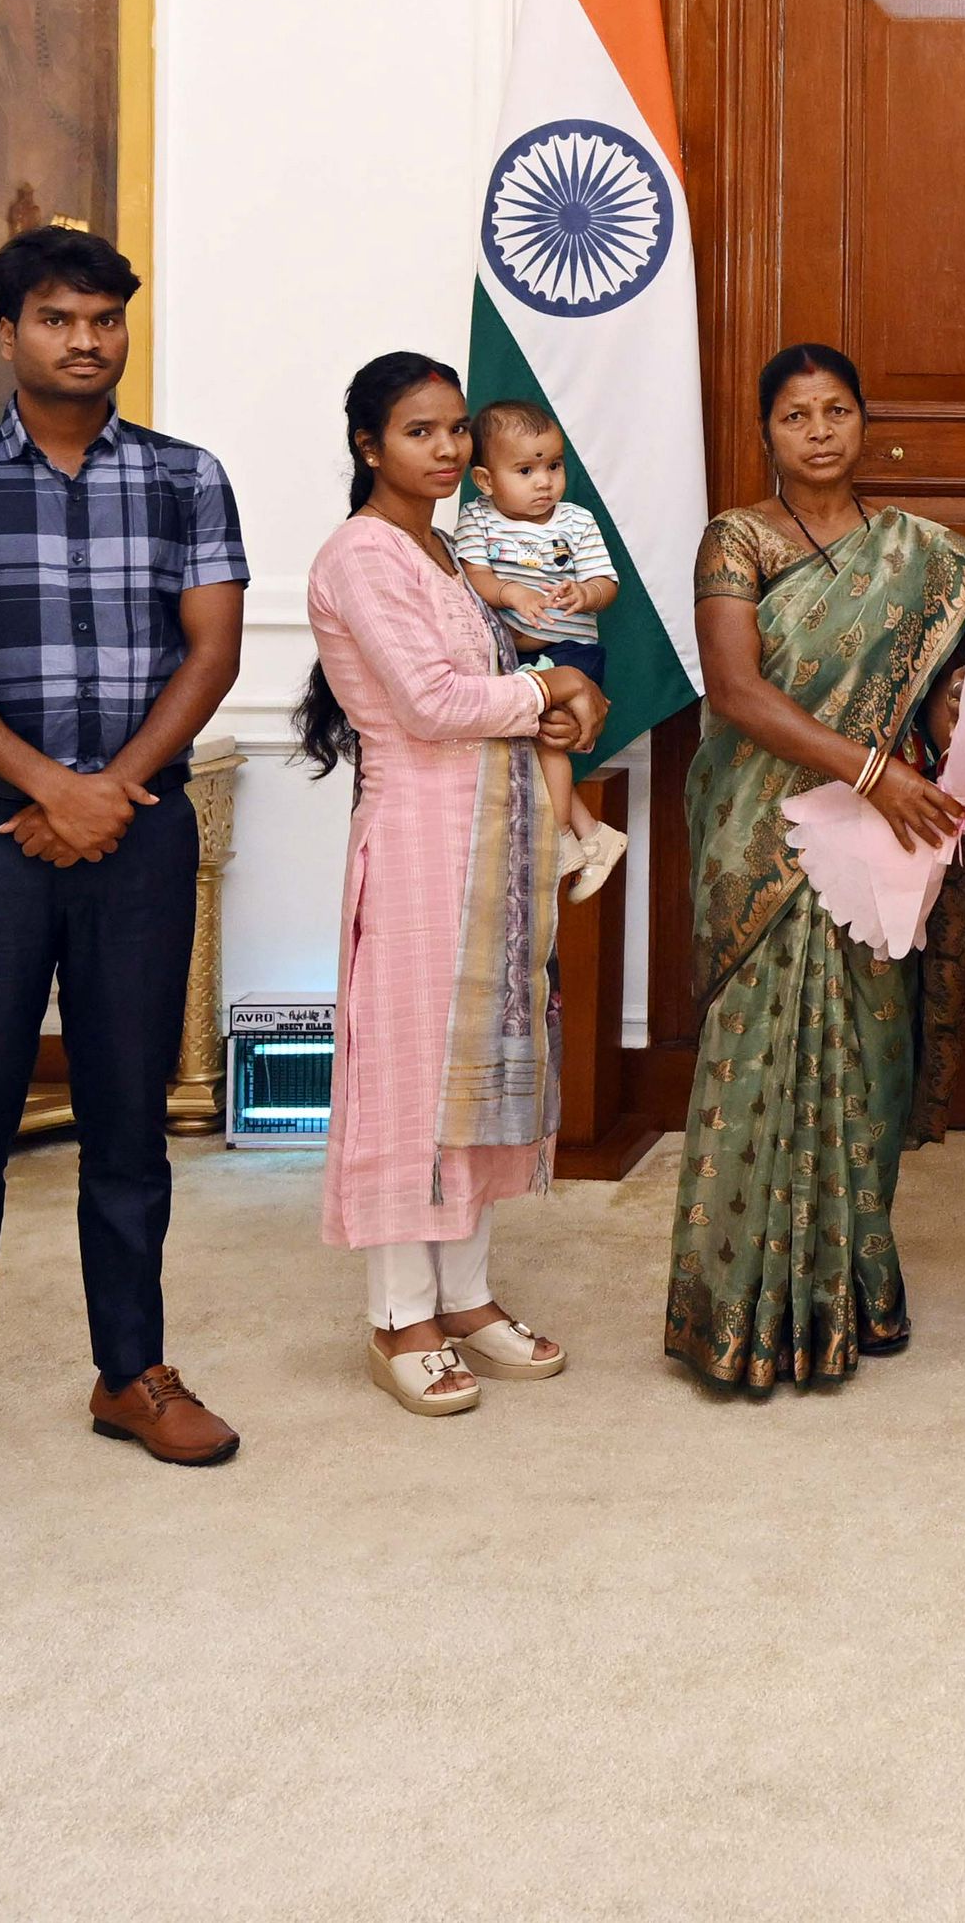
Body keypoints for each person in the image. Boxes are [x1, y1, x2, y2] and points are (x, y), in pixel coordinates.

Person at [0, 226, 246, 1523]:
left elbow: (211, 652)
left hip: (138, 827)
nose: (85, 339)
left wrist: (107, 789)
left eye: (103, 318)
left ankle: (131, 1372)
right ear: (8, 331)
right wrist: (50, 787)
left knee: (130, 1117)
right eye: (57, 318)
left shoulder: (187, 477)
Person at [669, 345, 965, 1389]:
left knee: (866, 1057)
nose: (818, 431)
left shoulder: (922, 555)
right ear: (765, 432)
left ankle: (851, 1293)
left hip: (874, 845)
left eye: (836, 410)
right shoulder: (738, 538)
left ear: (864, 422)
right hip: (762, 831)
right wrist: (869, 770)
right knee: (754, 1061)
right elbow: (735, 689)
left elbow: (948, 691)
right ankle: (737, 1312)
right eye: (794, 415)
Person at [303, 353, 607, 1417]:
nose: (445, 448)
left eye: (455, 429)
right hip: (421, 849)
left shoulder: (446, 549)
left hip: (497, 838)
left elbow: (499, 688)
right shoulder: (362, 553)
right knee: (411, 1077)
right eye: (418, 431)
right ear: (368, 445)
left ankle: (467, 1297)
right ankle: (400, 1315)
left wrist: (563, 703)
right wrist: (551, 684)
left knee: (482, 1073)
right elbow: (432, 704)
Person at [453, 397, 629, 901]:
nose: (545, 482)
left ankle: (556, 839)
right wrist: (513, 593)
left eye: (553, 465)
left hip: (571, 649)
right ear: (486, 480)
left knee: (548, 741)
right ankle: (591, 834)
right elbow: (475, 575)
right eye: (526, 470)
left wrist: (586, 593)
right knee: (525, 743)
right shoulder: (476, 519)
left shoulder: (576, 521)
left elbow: (606, 582)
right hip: (515, 655)